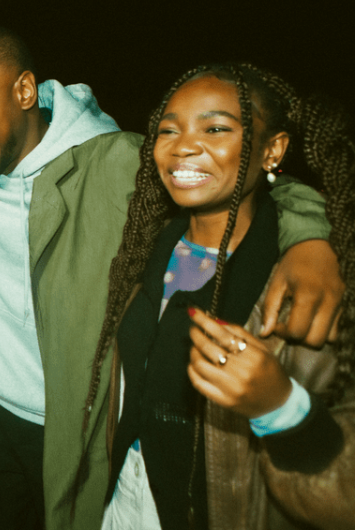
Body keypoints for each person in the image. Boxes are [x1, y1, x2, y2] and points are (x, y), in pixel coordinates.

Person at [0, 27, 343, 529]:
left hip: (70, 424)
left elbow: (230, 182)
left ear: (22, 92)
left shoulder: (114, 163)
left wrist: (310, 238)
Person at [89, 63, 355, 529]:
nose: (184, 145)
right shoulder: (147, 244)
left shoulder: (313, 277)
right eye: (168, 130)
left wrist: (283, 409)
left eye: (215, 128)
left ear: (272, 150)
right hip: (130, 495)